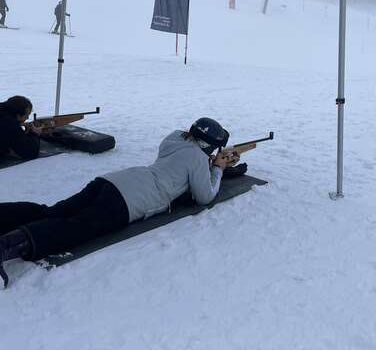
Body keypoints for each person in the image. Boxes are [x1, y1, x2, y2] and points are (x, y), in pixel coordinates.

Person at [0, 117, 240, 288]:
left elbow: (184, 159)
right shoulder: (198, 158)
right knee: (74, 227)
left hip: (113, 181)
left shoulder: (175, 138)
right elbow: (205, 196)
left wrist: (209, 161)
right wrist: (217, 168)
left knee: (53, 211)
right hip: (130, 201)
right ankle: (7, 246)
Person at [0, 96, 42, 162]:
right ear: (18, 115)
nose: (27, 118)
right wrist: (35, 133)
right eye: (26, 115)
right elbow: (31, 153)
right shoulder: (10, 125)